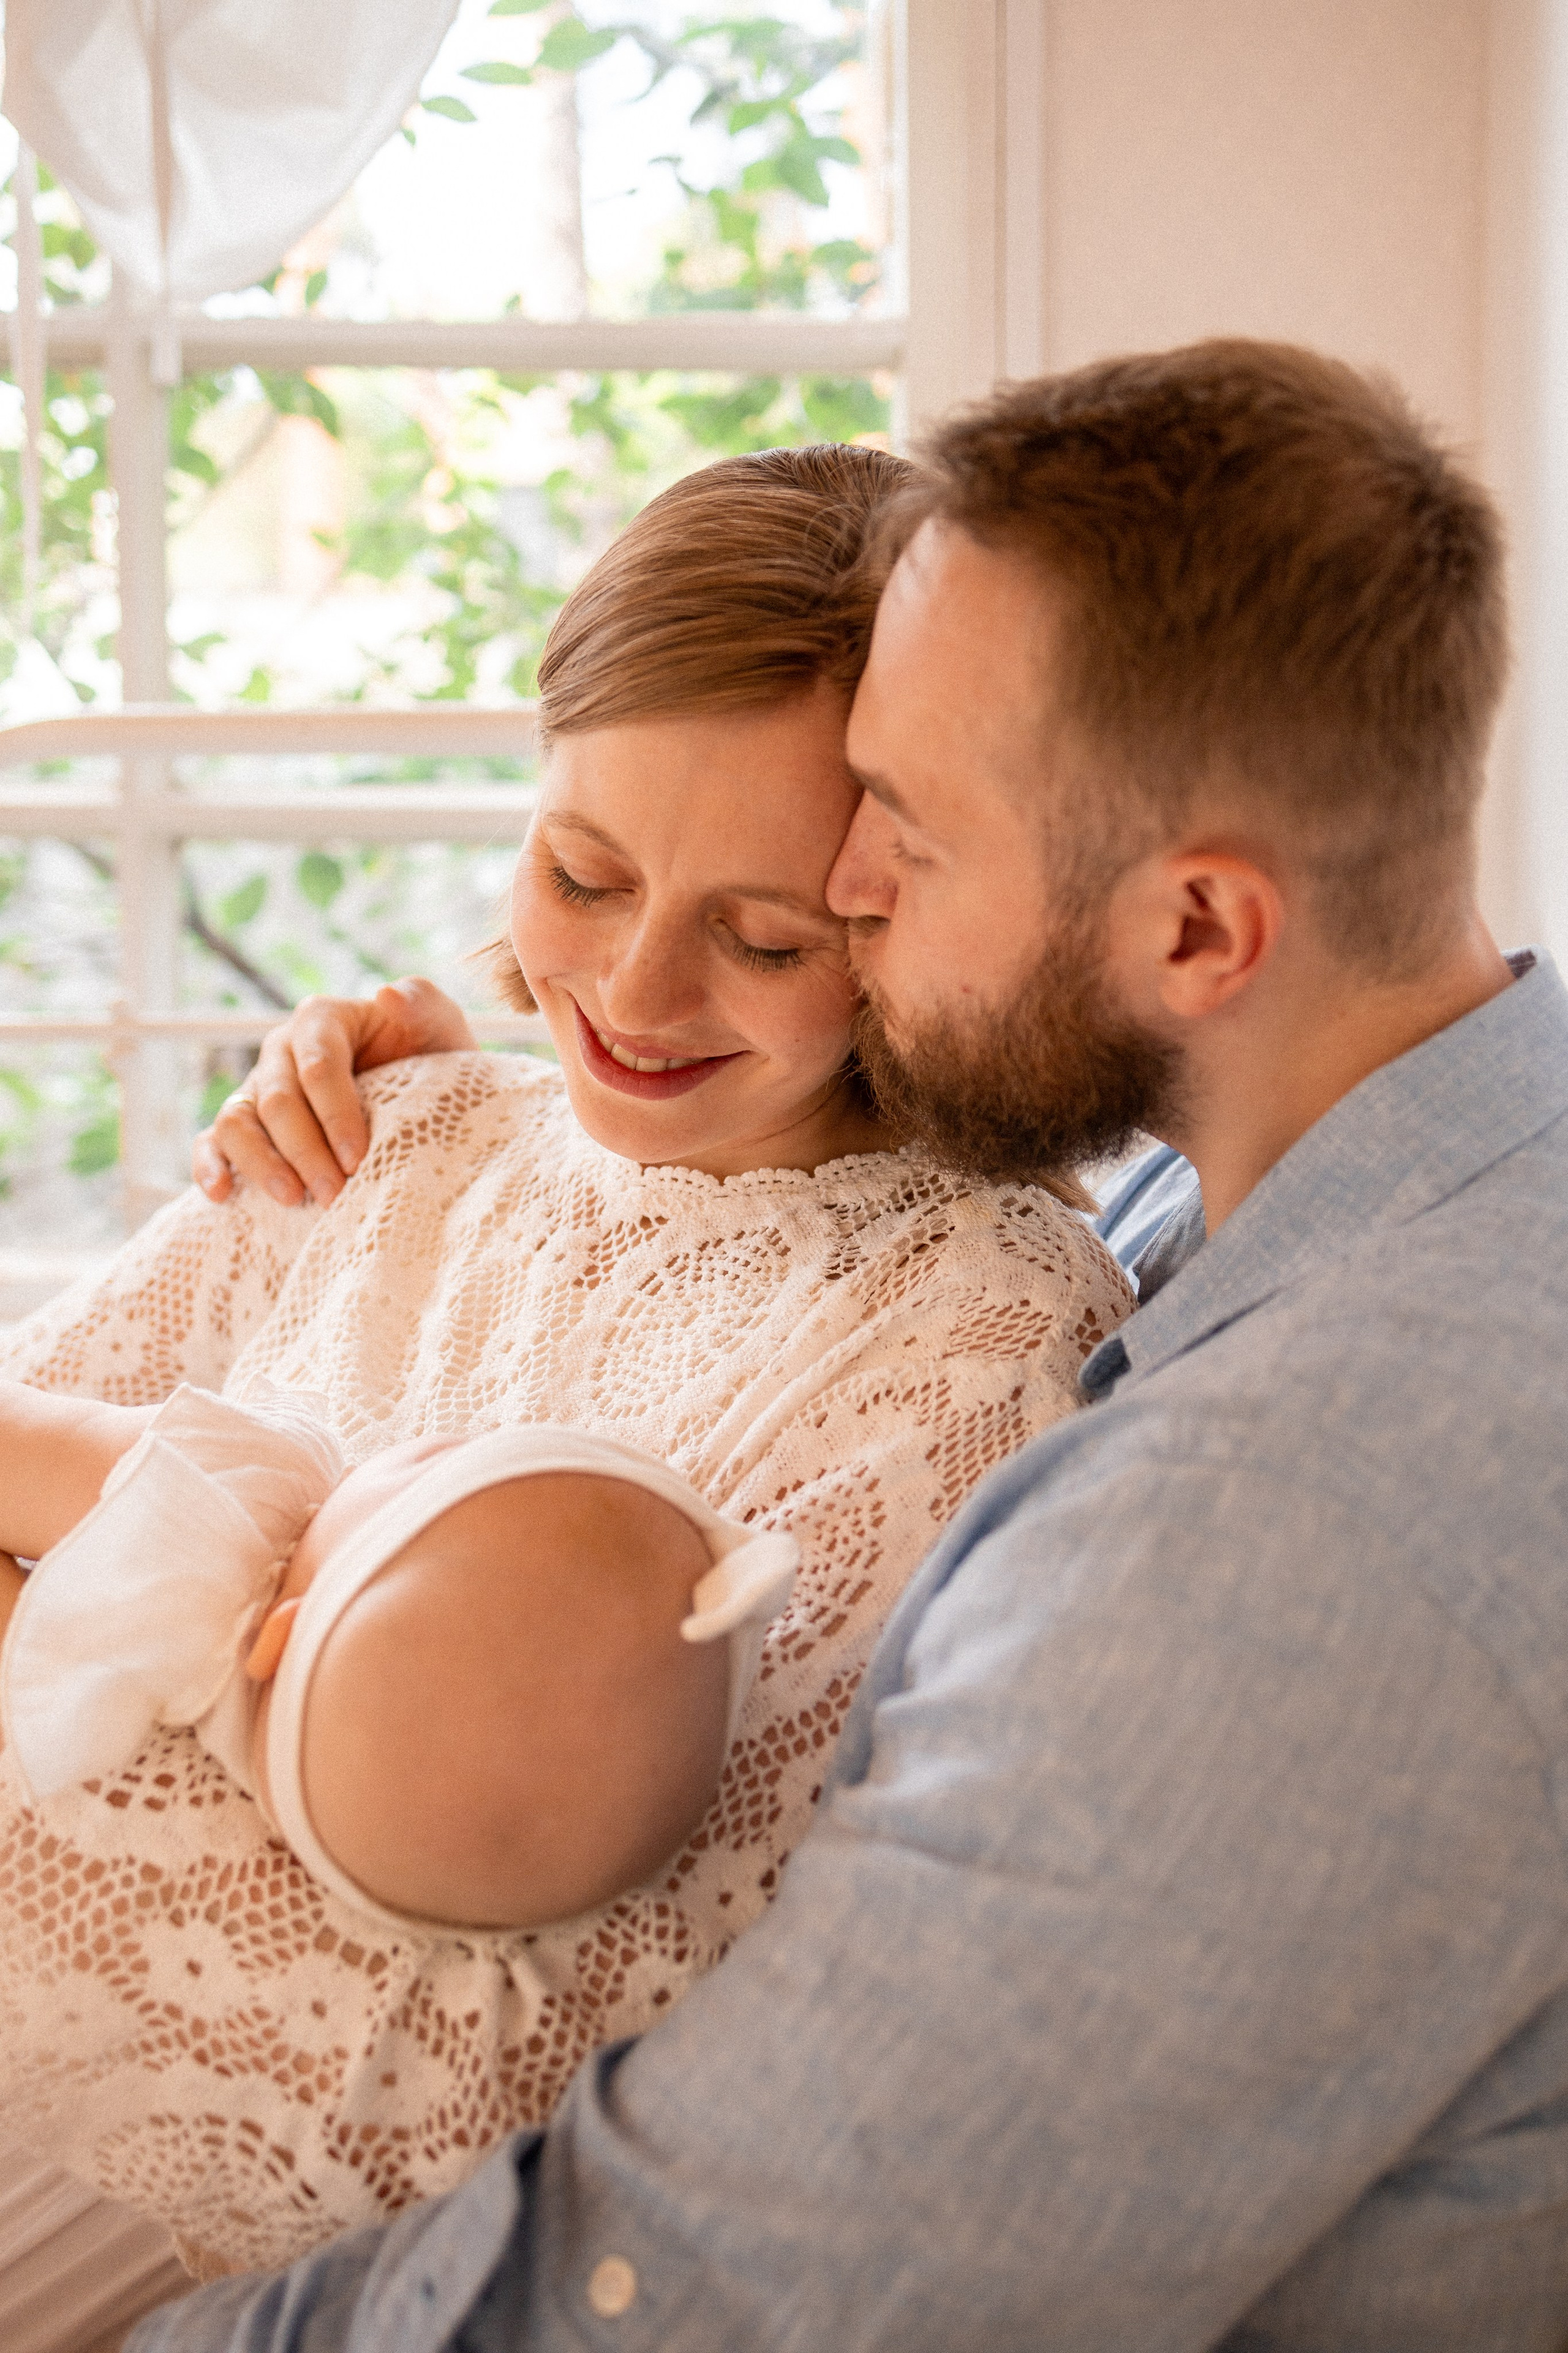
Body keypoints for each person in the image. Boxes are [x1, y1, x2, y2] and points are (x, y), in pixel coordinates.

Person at [140, 338, 1568, 2353]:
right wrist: (534, 1169)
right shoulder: (1377, 1174)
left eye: (903, 830)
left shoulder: (1285, 1528)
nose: (853, 884)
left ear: (1195, 936)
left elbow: (694, 2299)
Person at [0, 443, 1128, 2288]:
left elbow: (542, 2025)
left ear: (928, 912)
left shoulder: (970, 1336)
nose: (633, 992)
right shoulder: (400, 1134)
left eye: (765, 937)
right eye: (579, 870)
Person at [0, 1379, 797, 1932]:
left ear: (284, 1630)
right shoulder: (157, 1778)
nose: (439, 1436)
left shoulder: (213, 1519)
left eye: (437, 1464)